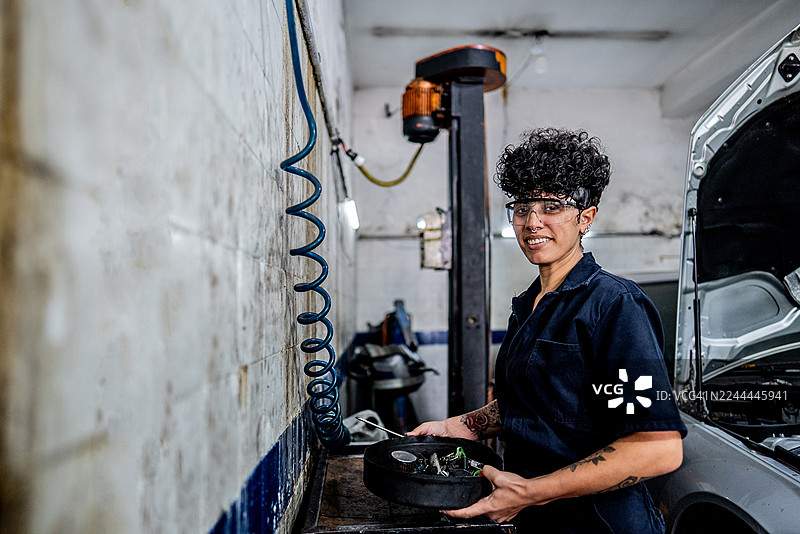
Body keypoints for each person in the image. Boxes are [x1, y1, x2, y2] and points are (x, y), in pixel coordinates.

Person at [408, 127, 687, 533]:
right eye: (522, 208)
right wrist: (459, 427)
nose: (532, 222)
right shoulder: (529, 305)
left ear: (585, 219)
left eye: (552, 206)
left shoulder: (614, 306)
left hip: (599, 525)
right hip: (537, 519)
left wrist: (530, 492)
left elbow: (658, 449)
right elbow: (535, 402)